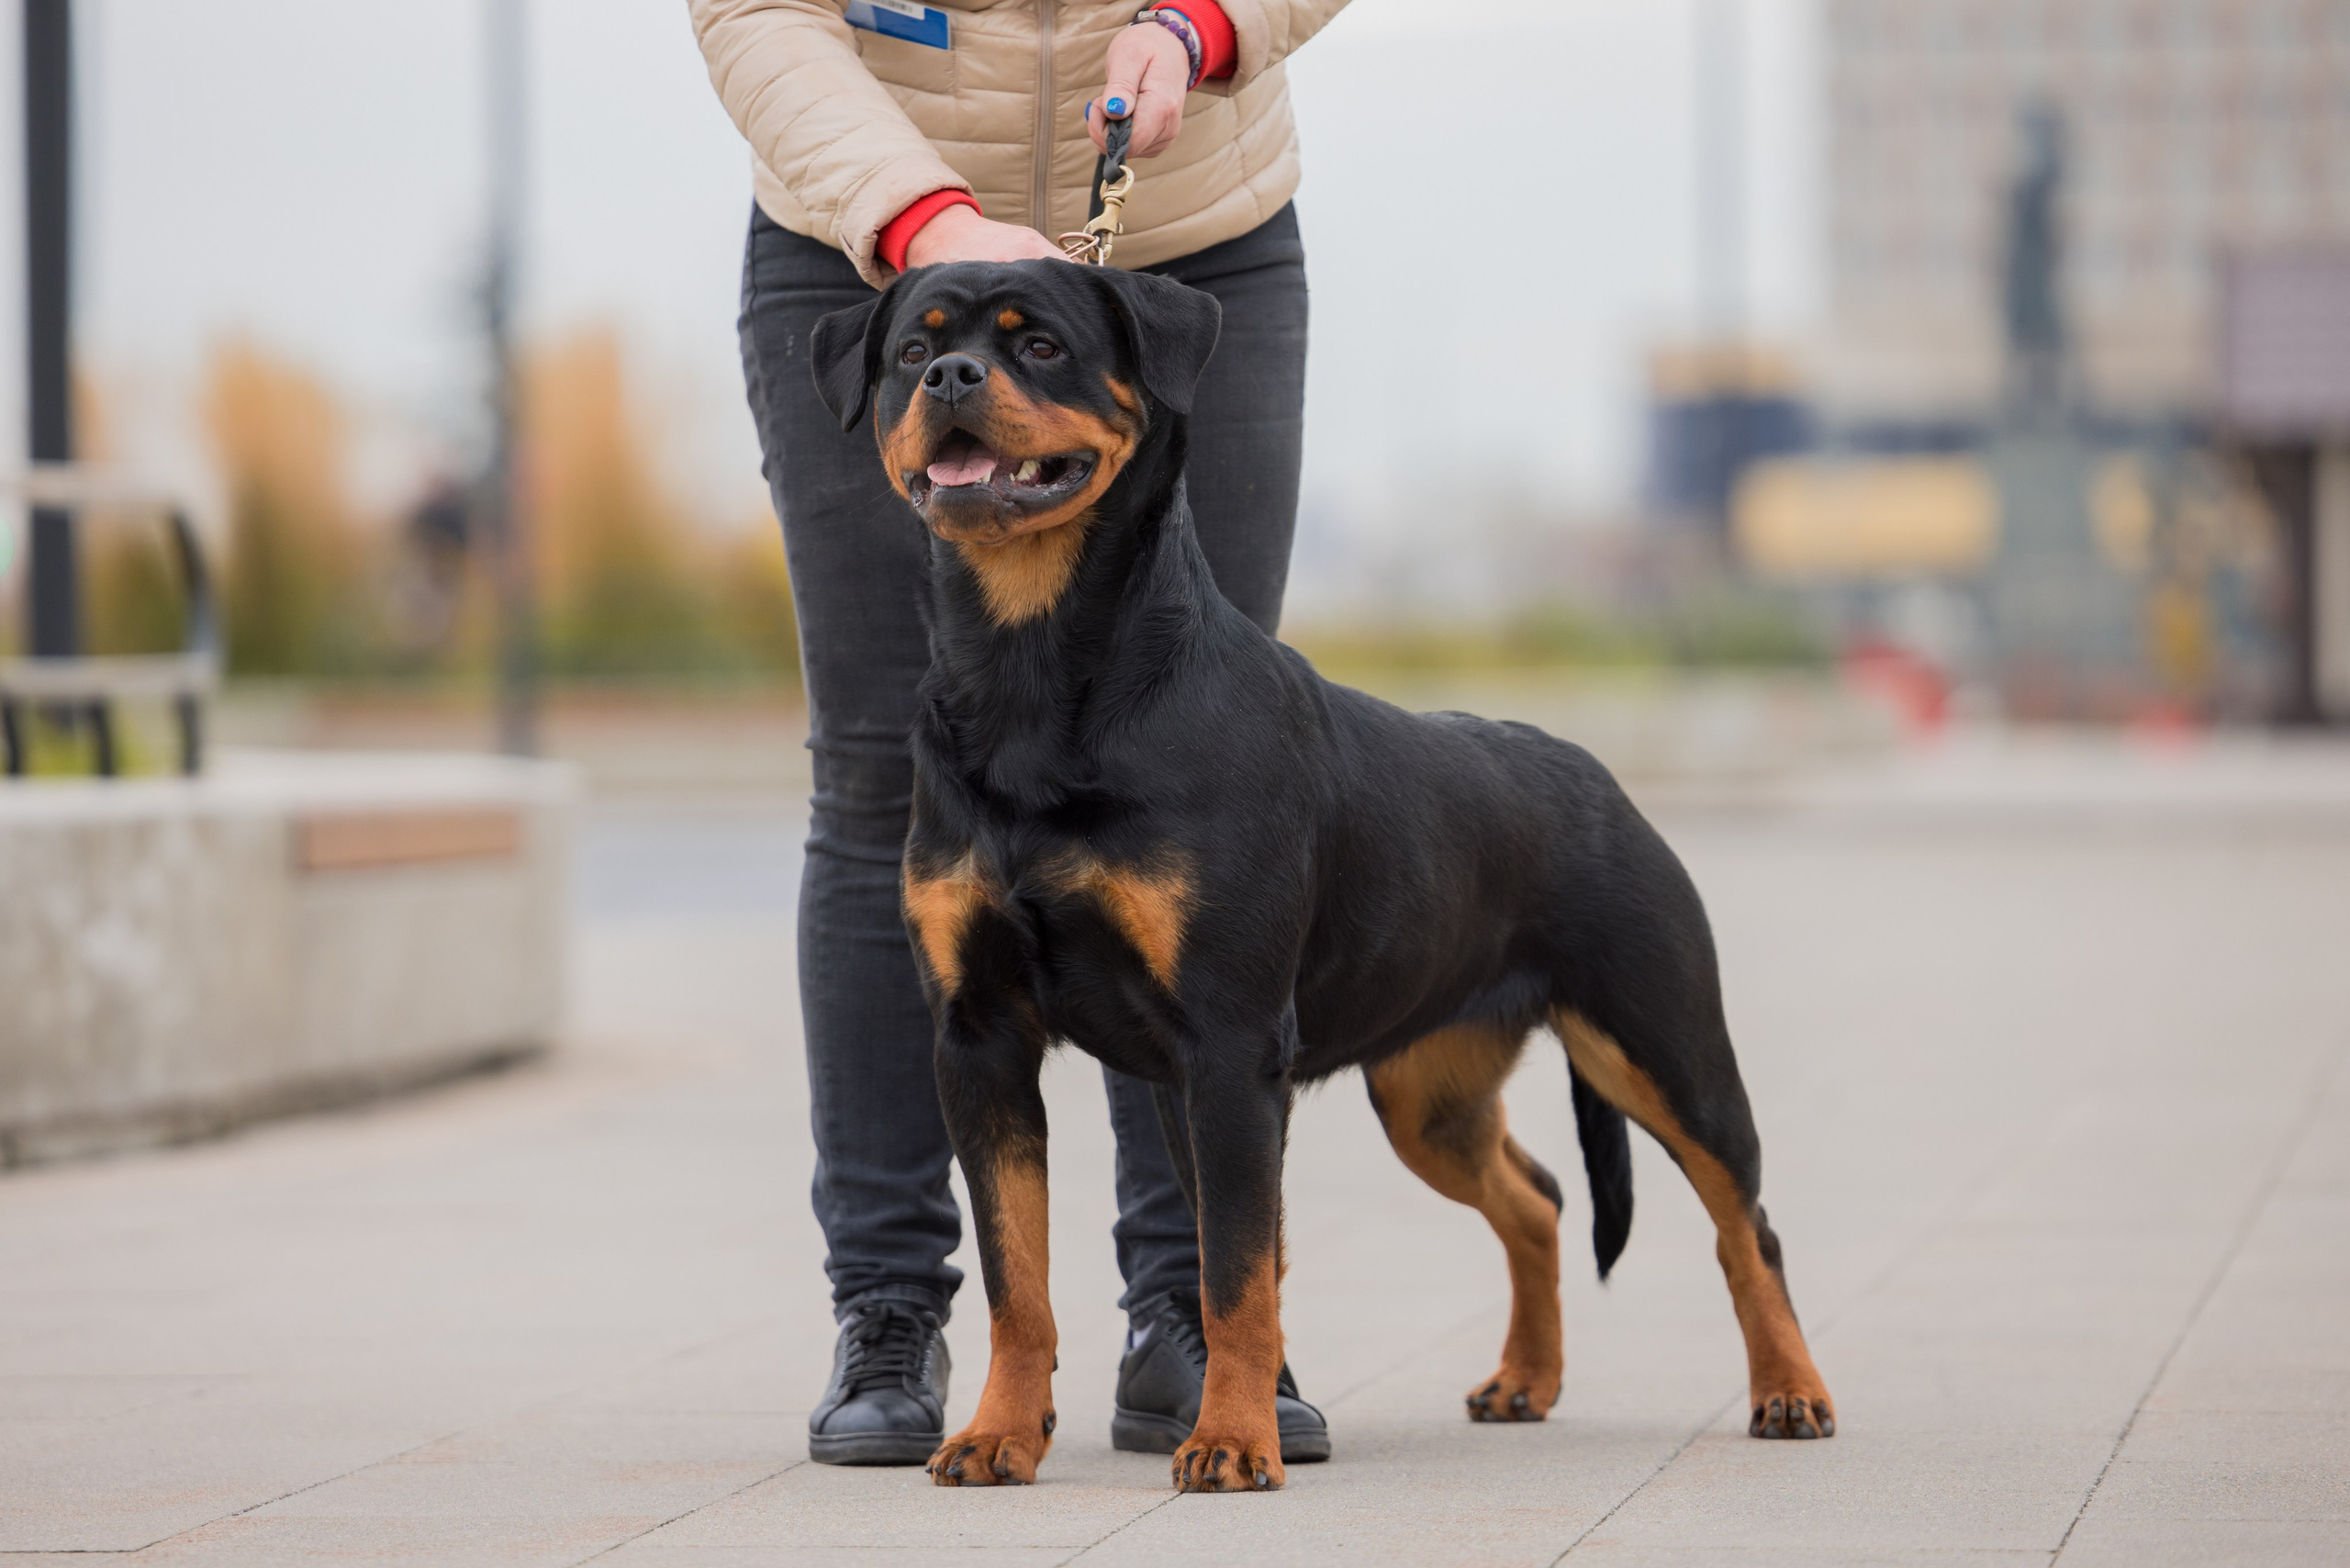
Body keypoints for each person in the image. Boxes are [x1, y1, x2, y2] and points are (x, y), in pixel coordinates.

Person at [691, 0, 1348, 1467]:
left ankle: (1189, 1315)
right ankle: (889, 1309)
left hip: (1184, 238)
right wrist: (920, 213)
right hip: (871, 247)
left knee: (1203, 777)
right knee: (880, 785)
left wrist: (1202, 26)